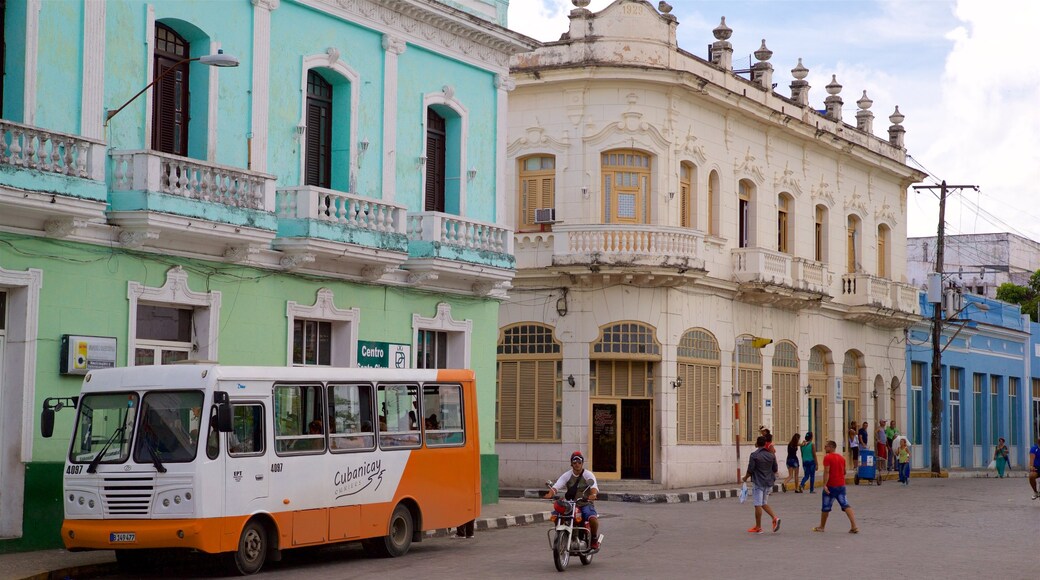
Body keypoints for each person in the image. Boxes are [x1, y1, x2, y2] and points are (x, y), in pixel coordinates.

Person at [545, 451, 601, 550]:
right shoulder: (567, 475)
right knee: (556, 515)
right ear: (571, 464)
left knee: (592, 518)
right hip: (570, 504)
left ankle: (594, 538)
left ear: (582, 463)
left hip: (585, 503)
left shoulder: (588, 474)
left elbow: (594, 486)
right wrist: (550, 493)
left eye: (579, 462)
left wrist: (593, 494)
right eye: (574, 462)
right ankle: (561, 534)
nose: (577, 464)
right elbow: (557, 485)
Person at [813, 440, 859, 533]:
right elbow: (844, 472)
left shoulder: (827, 457)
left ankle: (822, 526)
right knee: (845, 505)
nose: (825, 448)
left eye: (826, 446)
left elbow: (827, 471)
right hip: (841, 485)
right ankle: (854, 526)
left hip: (831, 485)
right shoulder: (842, 458)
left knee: (826, 507)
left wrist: (824, 484)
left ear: (831, 447)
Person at [743, 436, 781, 533]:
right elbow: (775, 469)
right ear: (765, 444)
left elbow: (750, 470)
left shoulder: (754, 455)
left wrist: (745, 478)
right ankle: (775, 518)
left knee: (757, 504)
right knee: (764, 503)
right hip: (768, 482)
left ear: (757, 443)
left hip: (758, 482)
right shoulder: (771, 455)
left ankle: (758, 527)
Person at [1029, 436, 1040, 500]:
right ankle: (1035, 492)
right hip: (1037, 468)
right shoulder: (1034, 448)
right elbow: (1032, 459)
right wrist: (1031, 466)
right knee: (1031, 476)